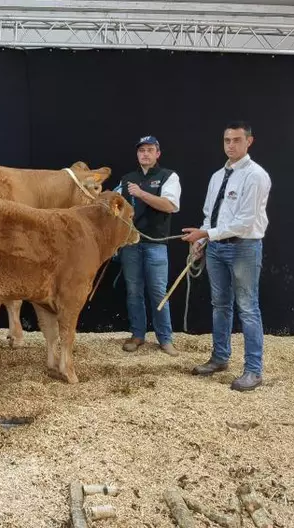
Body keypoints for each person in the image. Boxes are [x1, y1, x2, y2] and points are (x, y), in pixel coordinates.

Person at [181, 121, 271, 391]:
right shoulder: (217, 176)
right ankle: (220, 358)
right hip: (217, 248)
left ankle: (253, 371)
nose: (230, 145)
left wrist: (206, 235)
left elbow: (245, 222)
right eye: (226, 140)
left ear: (249, 142)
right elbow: (210, 214)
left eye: (236, 140)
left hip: (244, 246)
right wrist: (202, 241)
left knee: (247, 307)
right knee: (220, 304)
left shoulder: (256, 176)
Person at [115, 136, 182, 356]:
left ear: (158, 154)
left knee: (158, 292)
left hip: (156, 245)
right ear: (137, 154)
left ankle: (165, 338)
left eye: (150, 150)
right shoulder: (126, 180)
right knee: (134, 291)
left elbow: (170, 206)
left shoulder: (168, 177)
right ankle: (137, 335)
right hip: (130, 245)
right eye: (141, 150)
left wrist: (142, 194)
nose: (145, 154)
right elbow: (113, 206)